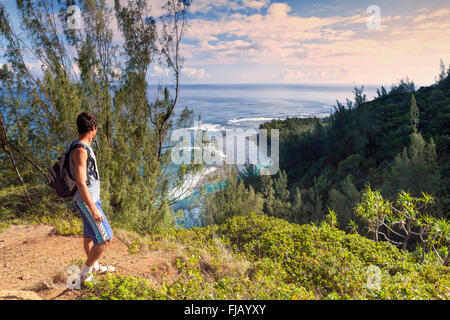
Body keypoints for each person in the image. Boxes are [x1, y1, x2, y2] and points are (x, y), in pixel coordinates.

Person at [69, 112, 114, 284]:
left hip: (91, 200)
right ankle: (84, 274)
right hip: (87, 201)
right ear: (93, 128)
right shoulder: (80, 150)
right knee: (105, 239)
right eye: (96, 128)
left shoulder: (82, 146)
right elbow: (80, 182)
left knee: (89, 238)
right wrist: (93, 208)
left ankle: (95, 267)